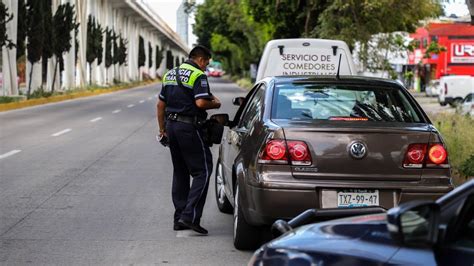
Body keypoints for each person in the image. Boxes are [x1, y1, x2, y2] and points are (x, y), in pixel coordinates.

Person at [156, 45, 221, 235]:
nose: (206, 67)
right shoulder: (198, 75)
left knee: (180, 172)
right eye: (206, 63)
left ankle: (179, 219)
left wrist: (162, 130)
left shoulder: (170, 74)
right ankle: (189, 216)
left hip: (171, 127)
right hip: (189, 128)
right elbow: (201, 102)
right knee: (203, 170)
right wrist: (216, 102)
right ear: (201, 59)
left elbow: (160, 105)